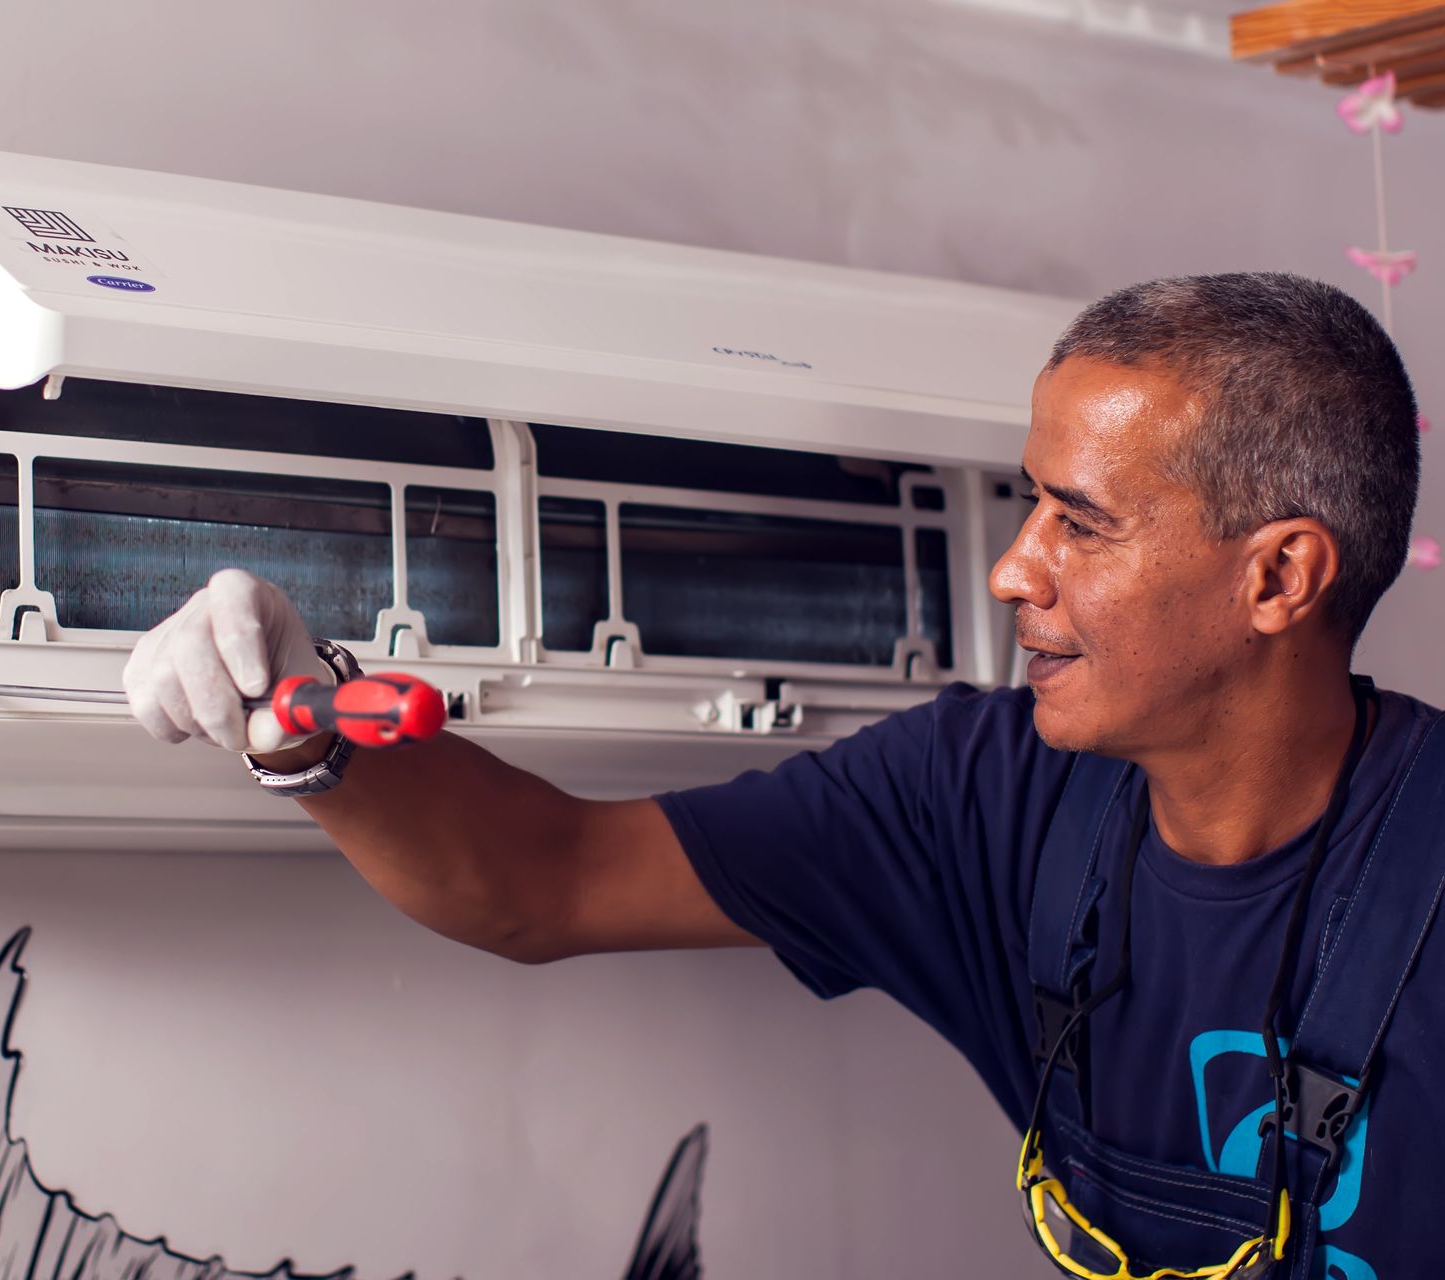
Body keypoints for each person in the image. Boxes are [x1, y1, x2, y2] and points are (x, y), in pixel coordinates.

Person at [123, 273, 1433, 1278]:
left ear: (1277, 576)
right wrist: (308, 730)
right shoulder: (976, 798)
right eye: (1029, 504)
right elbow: (543, 880)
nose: (1012, 568)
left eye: (1078, 523)